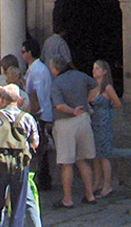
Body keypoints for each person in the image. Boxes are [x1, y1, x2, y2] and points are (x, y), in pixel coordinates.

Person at [0, 84, 40, 227]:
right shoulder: (27, 118)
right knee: (18, 206)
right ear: (19, 99)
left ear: (2, 99)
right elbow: (35, 142)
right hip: (20, 164)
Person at [48, 56, 97, 207]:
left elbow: (59, 106)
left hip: (65, 123)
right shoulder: (80, 75)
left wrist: (73, 110)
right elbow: (95, 86)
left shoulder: (56, 83)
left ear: (55, 69)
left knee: (67, 163)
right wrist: (86, 102)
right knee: (82, 159)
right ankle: (90, 195)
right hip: (83, 120)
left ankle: (67, 199)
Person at [20, 39, 54, 192]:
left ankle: (43, 179)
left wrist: (37, 112)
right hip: (40, 112)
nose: (22, 55)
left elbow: (39, 94)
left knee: (40, 149)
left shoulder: (38, 70)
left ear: (29, 52)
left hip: (41, 113)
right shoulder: (34, 69)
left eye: (23, 51)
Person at [88, 60, 120, 198]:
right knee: (95, 155)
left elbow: (117, 103)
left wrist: (106, 110)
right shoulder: (92, 87)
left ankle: (107, 185)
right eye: (93, 68)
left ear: (104, 71)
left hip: (104, 123)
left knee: (104, 155)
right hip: (93, 123)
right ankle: (97, 182)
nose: (94, 71)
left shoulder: (107, 88)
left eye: (97, 68)